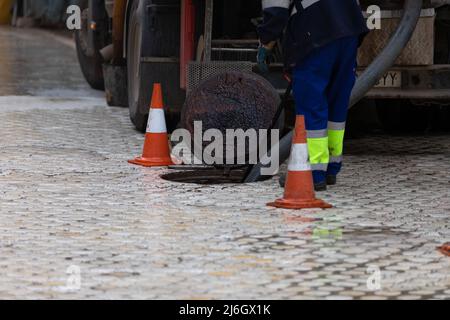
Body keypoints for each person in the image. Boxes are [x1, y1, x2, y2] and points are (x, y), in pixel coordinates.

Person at [257, 0, 369, 191]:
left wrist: (266, 43)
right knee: (337, 102)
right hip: (348, 28)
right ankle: (331, 167)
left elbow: (276, 11)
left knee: (312, 103)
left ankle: (313, 171)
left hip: (315, 31)